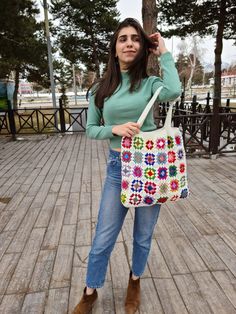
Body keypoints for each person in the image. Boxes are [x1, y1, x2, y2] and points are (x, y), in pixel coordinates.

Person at [72, 17, 181, 314]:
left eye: (135, 38)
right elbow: (91, 129)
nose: (130, 43)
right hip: (117, 168)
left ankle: (135, 281)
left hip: (149, 167)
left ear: (141, 47)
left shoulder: (149, 84)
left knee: (143, 235)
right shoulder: (100, 89)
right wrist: (115, 129)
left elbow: (174, 91)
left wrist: (164, 52)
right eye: (123, 38)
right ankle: (90, 290)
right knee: (104, 236)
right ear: (115, 47)